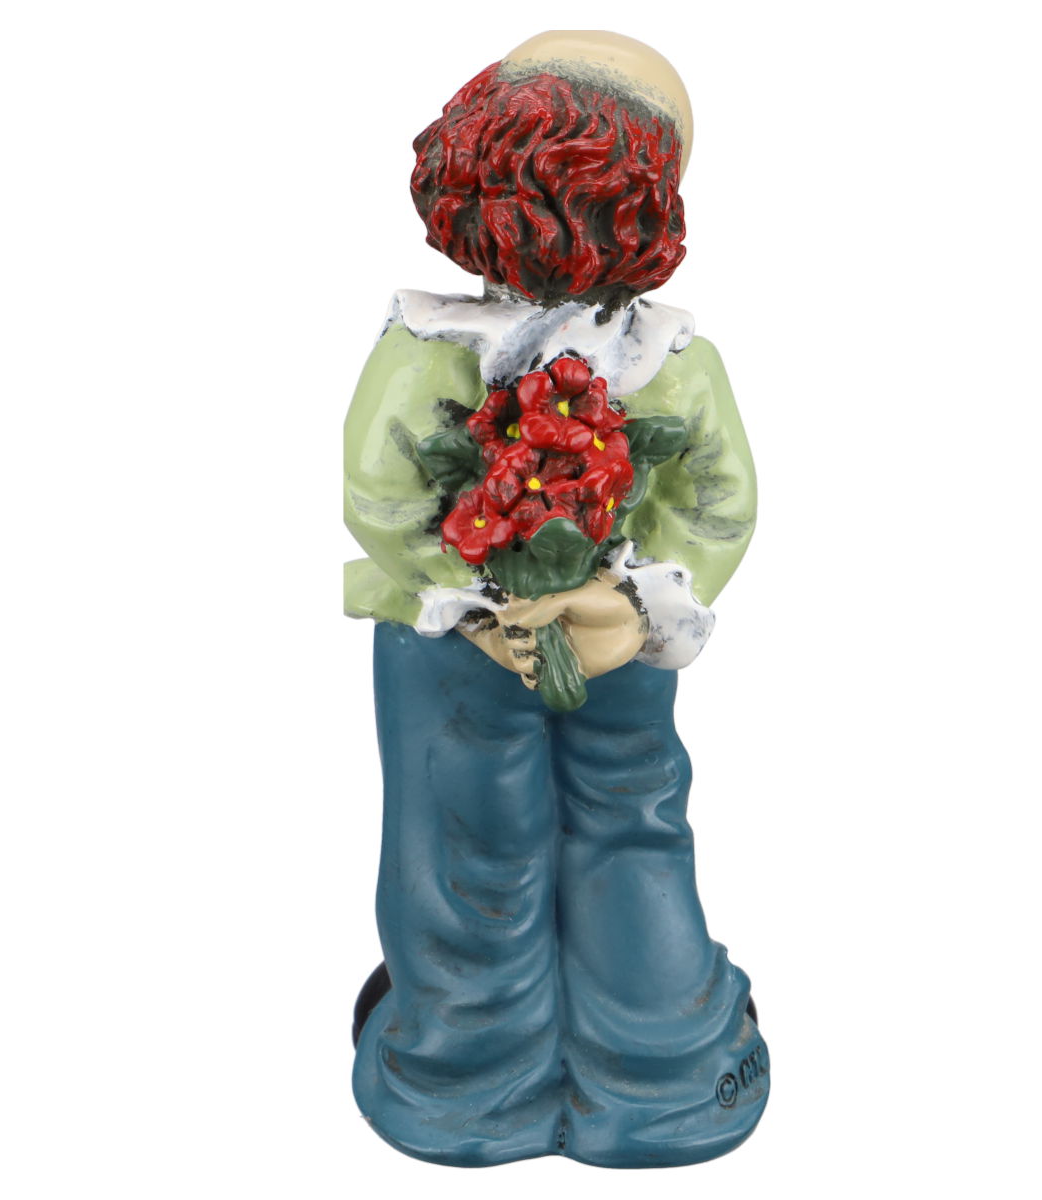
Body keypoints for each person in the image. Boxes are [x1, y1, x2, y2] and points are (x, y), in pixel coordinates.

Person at [344, 31, 769, 1167]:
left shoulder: (424, 349)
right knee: (630, 818)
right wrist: (634, 605)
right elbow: (721, 502)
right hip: (616, 636)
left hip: (455, 645)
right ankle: (664, 1062)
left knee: (462, 839)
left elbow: (380, 496)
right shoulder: (673, 360)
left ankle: (465, 1067)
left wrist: (467, 594)